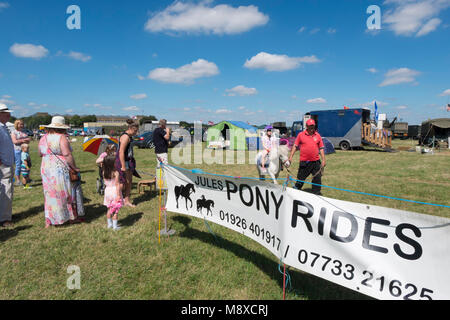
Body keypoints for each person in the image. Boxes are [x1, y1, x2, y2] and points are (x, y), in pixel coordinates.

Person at [38, 116, 82, 228]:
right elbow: (67, 154)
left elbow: (40, 153)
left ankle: (49, 219)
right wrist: (74, 167)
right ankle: (66, 217)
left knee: (49, 193)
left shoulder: (43, 138)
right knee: (64, 192)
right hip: (58, 168)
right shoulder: (61, 137)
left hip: (46, 166)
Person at [287, 119, 326, 195]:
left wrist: (323, 160)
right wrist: (291, 157)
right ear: (306, 126)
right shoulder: (301, 135)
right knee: (300, 180)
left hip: (316, 162)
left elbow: (321, 148)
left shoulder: (317, 135)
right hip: (305, 162)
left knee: (317, 179)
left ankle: (316, 194)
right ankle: (295, 194)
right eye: (310, 126)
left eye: (313, 126)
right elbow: (295, 146)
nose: (312, 127)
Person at [115, 119, 139, 208]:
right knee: (124, 182)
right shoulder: (125, 137)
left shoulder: (129, 136)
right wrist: (123, 166)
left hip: (128, 160)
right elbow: (121, 152)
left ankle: (126, 200)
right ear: (130, 128)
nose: (136, 133)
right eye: (135, 131)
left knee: (129, 181)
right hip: (123, 161)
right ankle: (120, 199)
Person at [0, 104, 15, 227]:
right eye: (6, 113)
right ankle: (5, 218)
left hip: (6, 163)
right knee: (6, 190)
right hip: (3, 164)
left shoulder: (3, 127)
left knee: (6, 189)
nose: (9, 115)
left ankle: (4, 215)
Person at [103, 155, 123, 230]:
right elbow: (117, 184)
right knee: (115, 211)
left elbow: (105, 183)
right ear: (112, 164)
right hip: (114, 191)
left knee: (109, 209)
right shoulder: (115, 173)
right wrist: (118, 195)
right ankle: (115, 226)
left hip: (107, 191)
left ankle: (109, 224)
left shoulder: (104, 172)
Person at [10, 119, 31, 186]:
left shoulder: (24, 131)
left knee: (27, 164)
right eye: (20, 124)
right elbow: (15, 141)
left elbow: (28, 140)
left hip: (25, 151)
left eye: (22, 124)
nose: (22, 125)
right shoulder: (14, 132)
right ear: (16, 125)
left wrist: (26, 140)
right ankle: (18, 180)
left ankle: (27, 178)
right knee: (18, 165)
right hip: (18, 150)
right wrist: (24, 140)